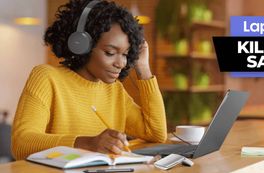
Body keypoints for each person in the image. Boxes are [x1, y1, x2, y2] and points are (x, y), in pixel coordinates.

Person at [11, 0, 167, 160]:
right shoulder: (47, 78)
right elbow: (22, 143)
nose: (121, 63)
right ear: (81, 46)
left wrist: (144, 69)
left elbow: (156, 133)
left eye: (126, 54)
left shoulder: (114, 90)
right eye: (110, 52)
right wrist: (86, 143)